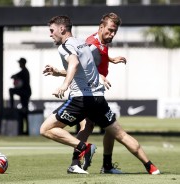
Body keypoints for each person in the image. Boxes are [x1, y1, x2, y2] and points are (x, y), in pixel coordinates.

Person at [40, 15, 160, 175]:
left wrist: (64, 84)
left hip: (82, 97)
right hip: (98, 98)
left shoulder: (69, 46)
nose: (50, 34)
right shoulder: (84, 42)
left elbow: (74, 64)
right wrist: (60, 73)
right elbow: (82, 65)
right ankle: (151, 167)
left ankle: (84, 151)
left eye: (51, 30)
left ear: (62, 29)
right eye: (110, 30)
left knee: (46, 129)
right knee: (114, 133)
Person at [68, 12, 127, 174]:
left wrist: (112, 59)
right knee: (94, 126)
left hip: (94, 90)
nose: (112, 34)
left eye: (114, 31)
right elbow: (82, 64)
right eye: (109, 30)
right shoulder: (92, 44)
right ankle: (78, 162)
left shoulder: (102, 41)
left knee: (92, 126)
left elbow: (99, 57)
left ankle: (86, 162)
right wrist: (100, 76)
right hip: (86, 90)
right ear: (101, 27)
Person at [9, 57, 32, 135]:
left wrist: (15, 77)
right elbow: (14, 76)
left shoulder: (24, 71)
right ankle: (24, 130)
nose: (19, 64)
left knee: (25, 112)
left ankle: (27, 130)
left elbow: (14, 76)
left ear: (23, 63)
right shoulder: (23, 71)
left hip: (25, 93)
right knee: (23, 112)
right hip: (24, 92)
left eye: (20, 63)